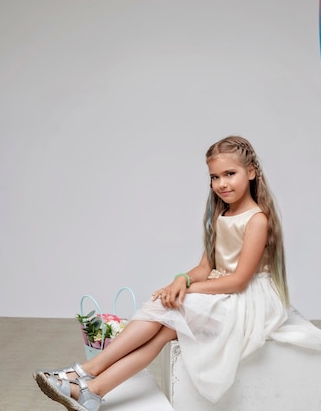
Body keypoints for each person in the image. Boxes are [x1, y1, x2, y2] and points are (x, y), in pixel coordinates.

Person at [34, 135, 293, 411]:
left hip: (247, 300)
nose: (222, 184)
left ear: (251, 172)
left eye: (230, 174)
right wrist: (181, 280)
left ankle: (85, 372)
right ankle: (92, 391)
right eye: (215, 177)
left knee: (172, 308)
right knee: (164, 324)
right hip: (221, 291)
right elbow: (206, 268)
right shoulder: (220, 216)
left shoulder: (256, 220)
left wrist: (185, 290)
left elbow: (240, 281)